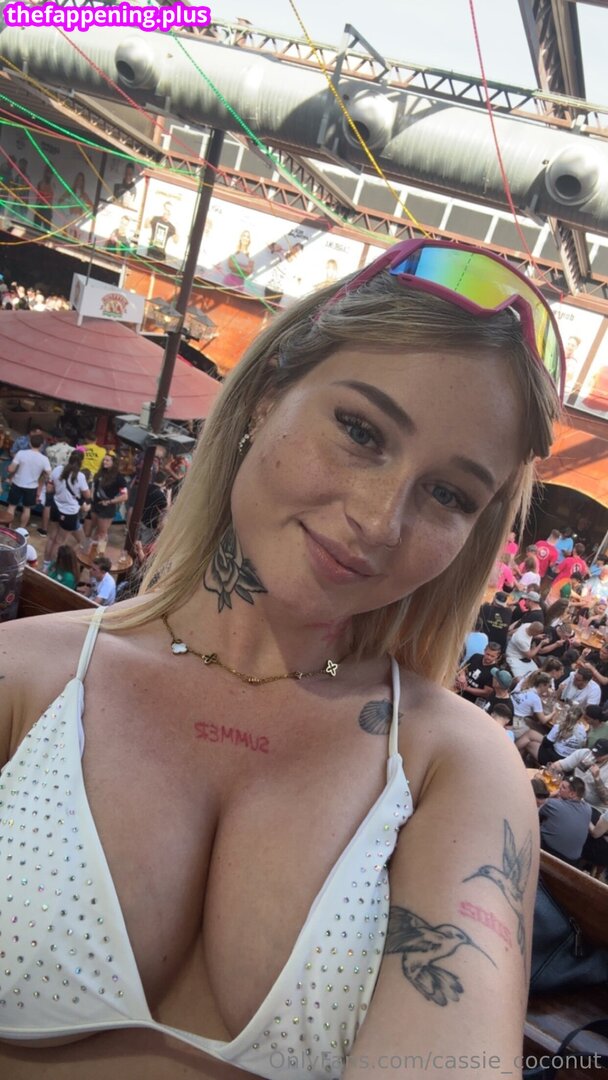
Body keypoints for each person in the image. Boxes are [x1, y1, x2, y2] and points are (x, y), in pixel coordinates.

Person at [0, 237, 562, 1076]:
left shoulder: (455, 771)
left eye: (448, 493)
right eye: (361, 430)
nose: (379, 519)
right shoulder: (21, 681)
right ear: (267, 394)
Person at [42, 450, 91, 569]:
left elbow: (49, 488)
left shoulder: (58, 469)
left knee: (51, 538)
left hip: (55, 507)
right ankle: (52, 567)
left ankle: (45, 565)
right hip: (70, 512)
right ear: (81, 461)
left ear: (69, 458)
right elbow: (87, 495)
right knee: (60, 542)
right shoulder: (80, 476)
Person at [538, 777, 591, 863]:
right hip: (573, 862)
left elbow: (536, 801)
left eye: (563, 787)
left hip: (548, 853)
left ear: (572, 794)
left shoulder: (553, 804)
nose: (559, 788)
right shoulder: (588, 809)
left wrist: (552, 794)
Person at [84, 453, 128, 554]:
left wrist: (110, 501)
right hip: (95, 505)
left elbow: (125, 496)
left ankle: (99, 554)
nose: (104, 462)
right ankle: (88, 551)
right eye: (104, 460)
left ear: (113, 462)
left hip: (106, 509)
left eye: (107, 460)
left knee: (102, 533)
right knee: (88, 531)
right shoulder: (99, 474)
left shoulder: (119, 478)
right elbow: (93, 488)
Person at [5, 432, 51, 528]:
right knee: (27, 509)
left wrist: (9, 469)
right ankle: (21, 529)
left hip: (17, 483)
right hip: (31, 487)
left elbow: (11, 469)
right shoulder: (44, 459)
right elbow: (48, 474)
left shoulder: (21, 453)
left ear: (30, 443)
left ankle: (8, 527)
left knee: (12, 506)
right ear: (42, 445)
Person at [548, 739, 608, 810]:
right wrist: (550, 773)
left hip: (591, 806)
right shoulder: (584, 753)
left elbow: (606, 800)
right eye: (593, 752)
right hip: (570, 795)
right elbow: (559, 765)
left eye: (599, 755)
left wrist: (597, 778)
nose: (594, 755)